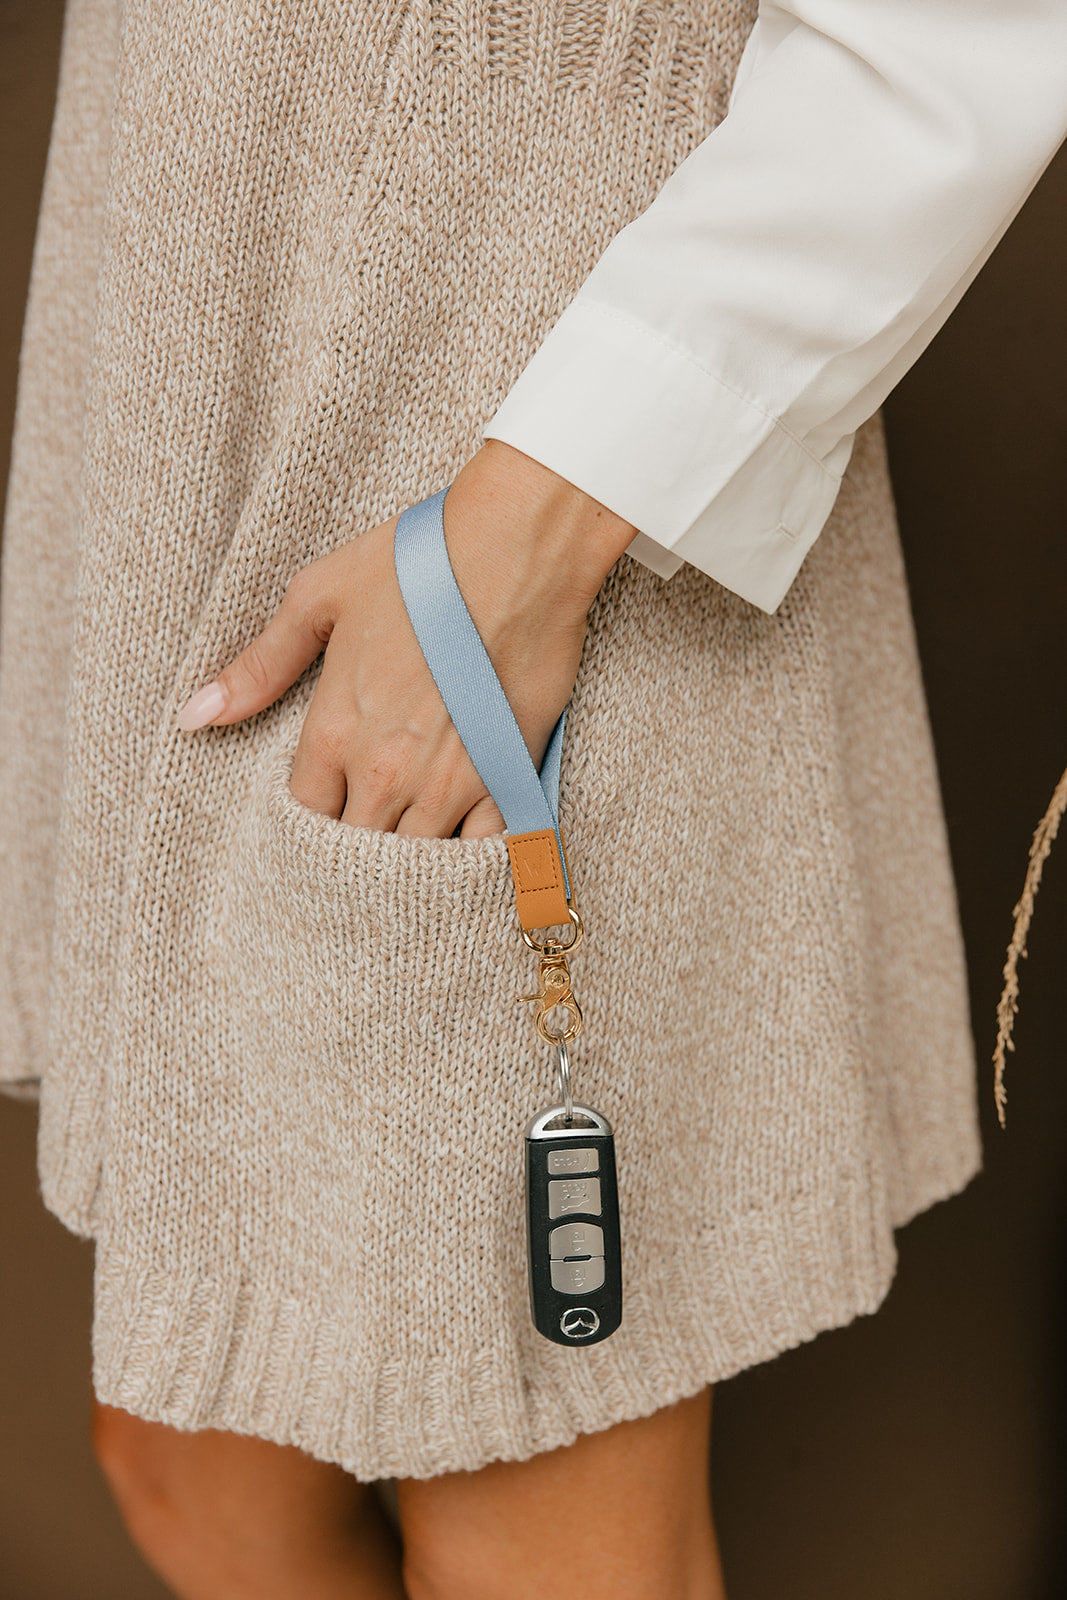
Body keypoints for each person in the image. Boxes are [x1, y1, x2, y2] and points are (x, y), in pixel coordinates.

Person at [2, 1, 1065, 1595]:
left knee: (537, 1543)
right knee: (189, 1467)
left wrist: (531, 536)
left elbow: (953, 35)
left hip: (498, 453)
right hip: (194, 376)